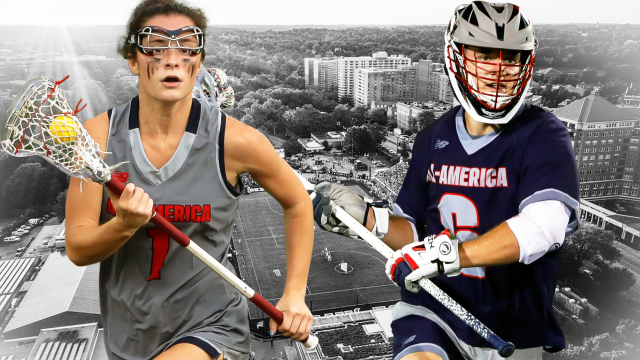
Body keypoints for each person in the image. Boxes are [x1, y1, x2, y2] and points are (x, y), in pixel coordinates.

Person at [312, 2, 579, 359]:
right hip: (433, 312)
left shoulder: (544, 133)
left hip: (512, 326)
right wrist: (364, 218)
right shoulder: (432, 138)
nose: (498, 68)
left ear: (526, 64)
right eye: (484, 53)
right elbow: (414, 232)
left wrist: (451, 255)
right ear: (456, 57)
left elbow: (543, 227)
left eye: (511, 57)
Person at [64, 1, 314, 359]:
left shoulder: (237, 141)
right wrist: (122, 225)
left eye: (186, 45)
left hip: (212, 326)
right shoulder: (96, 138)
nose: (172, 57)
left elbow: (298, 201)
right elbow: (77, 247)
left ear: (198, 63)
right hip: (127, 334)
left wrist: (294, 293)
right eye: (154, 45)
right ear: (133, 60)